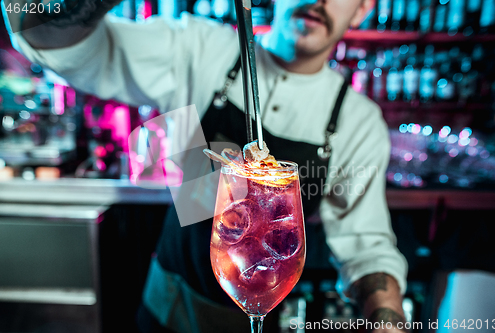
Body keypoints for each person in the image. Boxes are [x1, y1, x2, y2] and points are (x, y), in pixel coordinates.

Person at [3, 0, 408, 331]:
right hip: (161, 304)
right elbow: (41, 32)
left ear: (361, 10)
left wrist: (386, 317)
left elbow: (365, 243)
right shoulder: (201, 49)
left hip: (255, 316)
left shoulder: (358, 122)